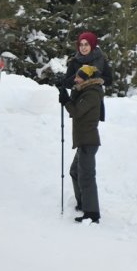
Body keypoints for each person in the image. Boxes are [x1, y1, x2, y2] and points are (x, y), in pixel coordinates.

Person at [58, 65, 103, 223]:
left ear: (87, 80)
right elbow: (76, 99)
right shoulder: (86, 91)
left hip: (88, 141)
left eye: (79, 77)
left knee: (86, 177)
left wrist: (66, 101)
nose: (76, 79)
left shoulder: (92, 94)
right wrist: (64, 89)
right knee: (75, 172)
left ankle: (92, 213)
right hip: (84, 140)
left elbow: (76, 111)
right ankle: (83, 203)